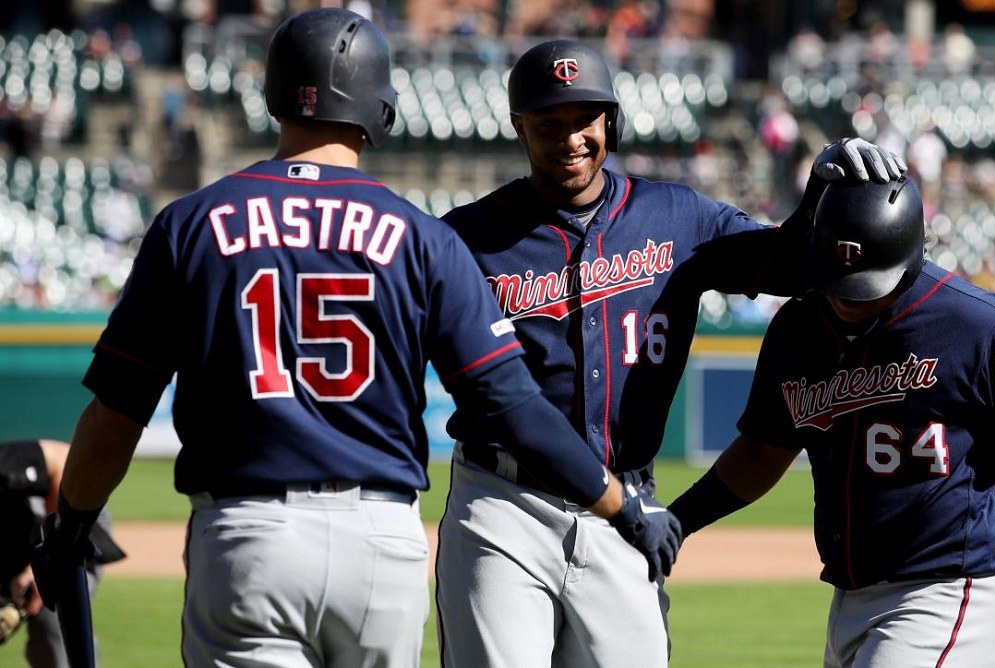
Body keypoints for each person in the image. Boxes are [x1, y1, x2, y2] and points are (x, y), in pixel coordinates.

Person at [29, 10, 682, 668]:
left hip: (246, 532)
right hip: (380, 542)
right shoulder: (425, 239)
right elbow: (509, 403)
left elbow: (116, 415)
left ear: (274, 96)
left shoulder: (191, 225)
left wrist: (73, 524)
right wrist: (620, 503)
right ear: (381, 106)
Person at [435, 37, 907, 667]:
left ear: (612, 122)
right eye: (549, 123)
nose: (570, 138)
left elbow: (789, 267)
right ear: (520, 128)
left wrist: (819, 200)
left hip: (626, 505)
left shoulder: (676, 215)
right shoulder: (468, 236)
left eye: (585, 120)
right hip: (502, 504)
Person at [667, 176, 995, 666]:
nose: (848, 298)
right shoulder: (797, 330)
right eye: (835, 279)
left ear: (911, 256)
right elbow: (762, 452)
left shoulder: (979, 325)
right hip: (852, 594)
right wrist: (676, 522)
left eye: (864, 283)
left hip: (957, 588)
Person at [0, 439, 124, 667]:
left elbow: (62, 459)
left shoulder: (6, 463)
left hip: (69, 521)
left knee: (54, 619)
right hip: (15, 547)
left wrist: (52, 552)